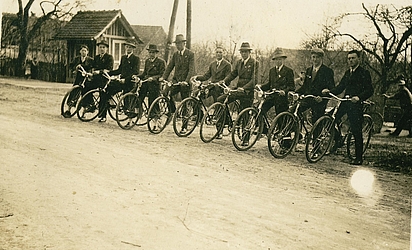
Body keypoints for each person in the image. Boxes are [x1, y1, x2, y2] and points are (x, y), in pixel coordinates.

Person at [322, 50, 374, 165]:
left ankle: (359, 157)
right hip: (345, 102)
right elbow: (341, 87)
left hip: (356, 104)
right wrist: (330, 91)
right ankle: (338, 139)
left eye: (353, 58)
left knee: (356, 130)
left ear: (358, 59)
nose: (350, 60)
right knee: (331, 119)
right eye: (349, 58)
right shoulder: (347, 72)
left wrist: (359, 97)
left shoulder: (364, 73)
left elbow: (370, 90)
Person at [98, 42, 140, 122]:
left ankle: (130, 117)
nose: (128, 49)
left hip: (129, 82)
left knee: (127, 99)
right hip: (121, 81)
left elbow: (136, 72)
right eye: (127, 47)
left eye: (130, 47)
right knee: (107, 89)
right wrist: (109, 72)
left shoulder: (136, 59)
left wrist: (126, 79)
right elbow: (119, 70)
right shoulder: (123, 57)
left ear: (133, 49)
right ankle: (105, 113)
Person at [297, 48, 335, 124]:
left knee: (317, 121)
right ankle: (299, 132)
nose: (315, 59)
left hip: (320, 100)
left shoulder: (327, 71)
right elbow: (305, 86)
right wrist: (296, 93)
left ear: (321, 58)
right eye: (313, 57)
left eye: (317, 57)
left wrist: (322, 97)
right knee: (295, 110)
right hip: (309, 98)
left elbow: (332, 88)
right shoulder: (309, 70)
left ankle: (317, 135)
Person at [159, 34, 195, 114]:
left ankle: (184, 124)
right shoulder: (175, 55)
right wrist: (163, 77)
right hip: (176, 81)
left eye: (179, 43)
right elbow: (169, 67)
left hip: (185, 83)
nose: (178, 46)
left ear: (184, 44)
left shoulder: (190, 54)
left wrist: (186, 81)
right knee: (166, 93)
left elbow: (191, 70)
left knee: (185, 102)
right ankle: (173, 111)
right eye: (176, 44)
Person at [218, 41, 259, 111]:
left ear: (249, 52)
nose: (243, 54)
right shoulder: (239, 62)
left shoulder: (254, 63)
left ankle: (242, 121)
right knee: (221, 99)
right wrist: (224, 81)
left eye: (245, 52)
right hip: (238, 89)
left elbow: (254, 80)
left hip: (247, 91)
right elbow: (233, 74)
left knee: (243, 112)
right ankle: (225, 120)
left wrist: (244, 88)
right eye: (242, 52)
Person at [260, 47, 295, 129]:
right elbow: (269, 84)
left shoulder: (288, 71)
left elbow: (292, 86)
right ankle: (264, 129)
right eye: (276, 59)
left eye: (280, 59)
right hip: (272, 96)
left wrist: (284, 91)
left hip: (282, 98)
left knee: (281, 119)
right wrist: (260, 87)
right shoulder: (272, 71)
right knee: (261, 109)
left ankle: (285, 138)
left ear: (283, 60)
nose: (278, 61)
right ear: (274, 60)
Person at [138, 44, 166, 110]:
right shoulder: (147, 61)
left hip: (155, 83)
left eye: (153, 52)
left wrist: (153, 78)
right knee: (140, 93)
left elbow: (162, 74)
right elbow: (144, 73)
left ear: (156, 53)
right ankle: (138, 109)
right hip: (146, 82)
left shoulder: (161, 62)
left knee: (152, 98)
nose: (151, 54)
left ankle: (154, 114)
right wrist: (137, 77)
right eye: (150, 52)